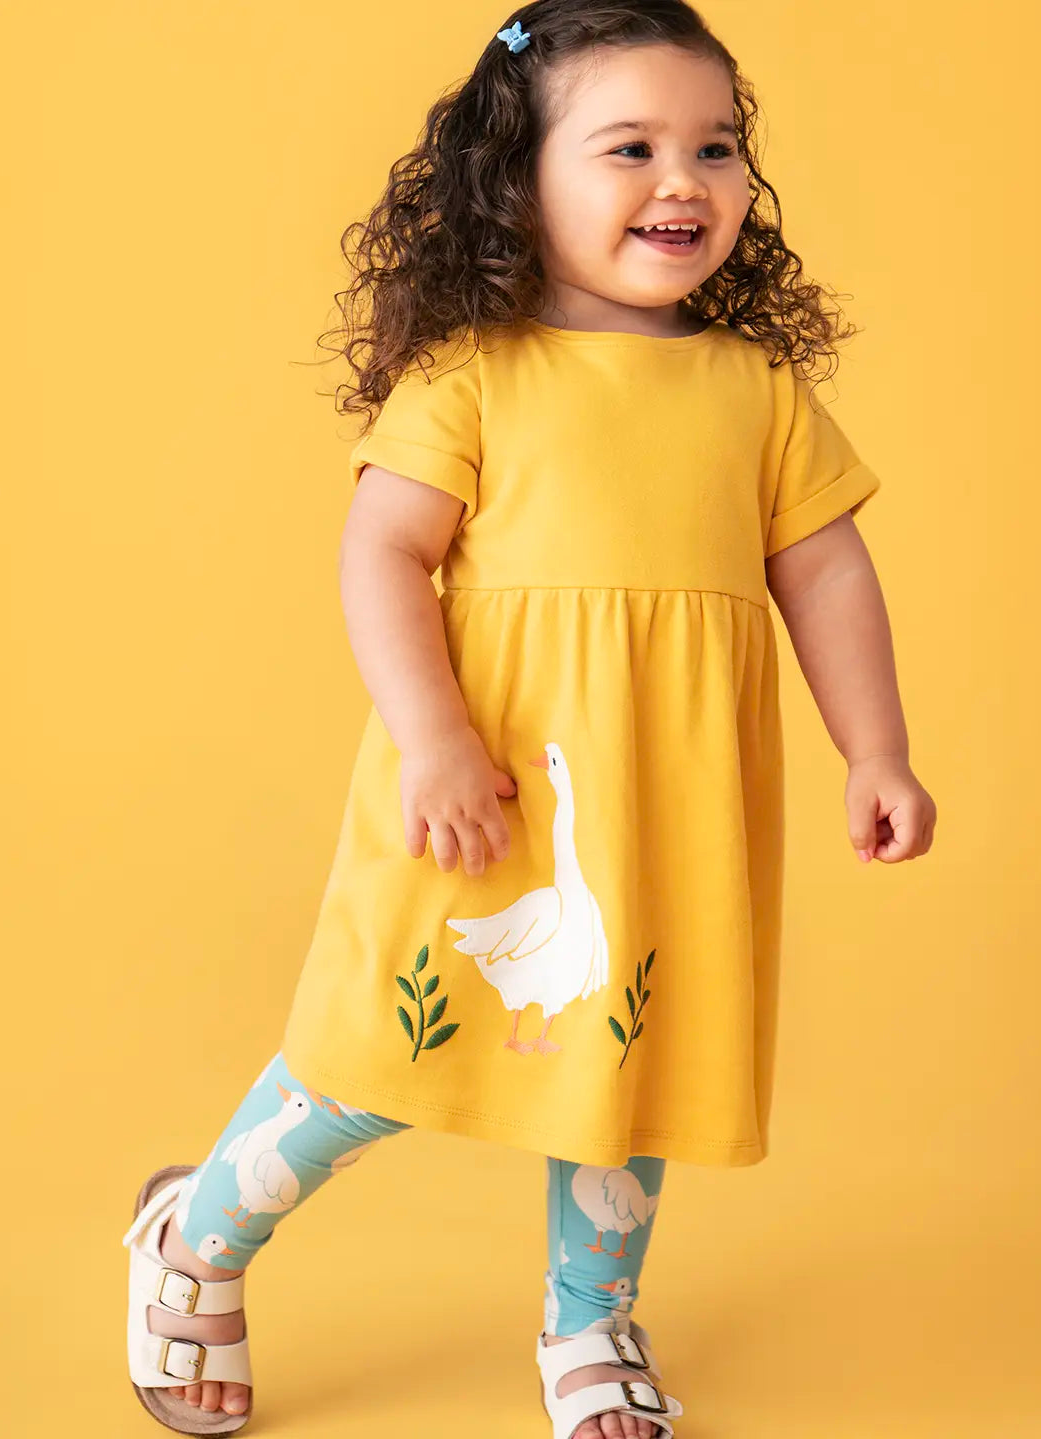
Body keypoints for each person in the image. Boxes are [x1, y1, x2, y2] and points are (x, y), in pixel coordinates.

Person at [121, 3, 938, 1437]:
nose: (684, 181)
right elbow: (382, 554)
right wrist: (433, 737)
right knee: (376, 1049)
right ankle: (196, 1236)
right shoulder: (474, 375)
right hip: (486, 788)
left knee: (634, 1066)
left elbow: (824, 572)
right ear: (519, 177)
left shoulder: (755, 390)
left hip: (669, 800)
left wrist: (876, 748)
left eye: (717, 148)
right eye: (631, 148)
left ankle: (590, 1318)